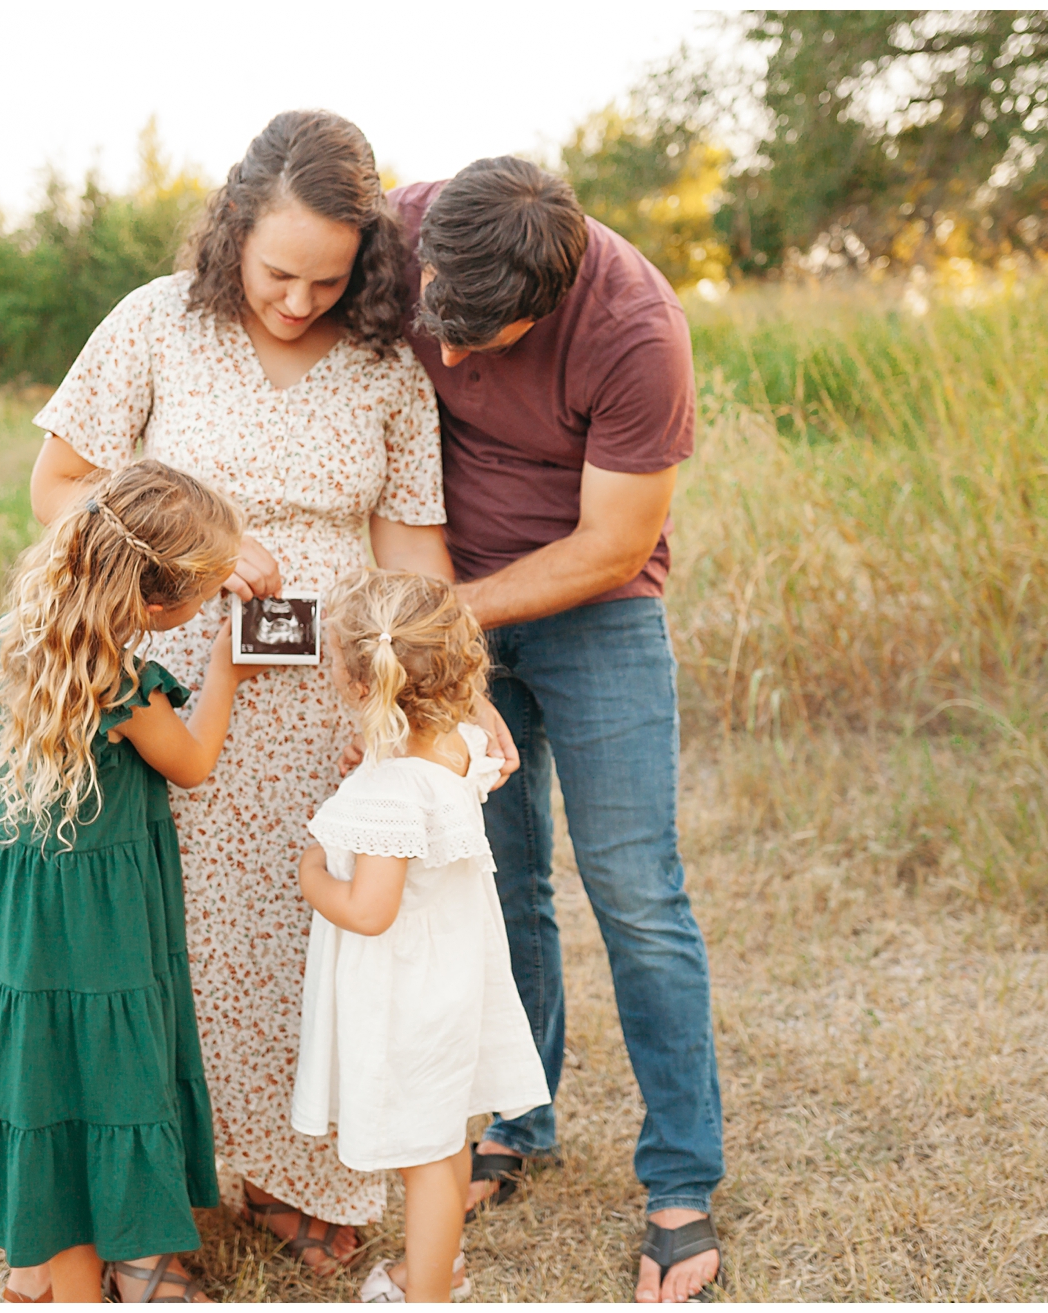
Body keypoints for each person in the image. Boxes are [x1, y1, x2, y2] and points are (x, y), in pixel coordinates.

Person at [26, 110, 514, 1276]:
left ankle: (303, 1175)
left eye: (328, 279)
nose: (299, 300)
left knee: (320, 928)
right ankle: (177, 1198)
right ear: (232, 232)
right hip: (189, 686)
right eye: (277, 272)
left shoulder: (387, 361)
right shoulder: (154, 322)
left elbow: (410, 541)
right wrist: (192, 556)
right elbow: (59, 487)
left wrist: (446, 688)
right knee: (181, 938)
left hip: (346, 698)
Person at [386, 158, 725, 1302]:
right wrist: (439, 625)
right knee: (500, 875)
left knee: (636, 888)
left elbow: (611, 546)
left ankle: (681, 1182)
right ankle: (523, 1123)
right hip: (452, 600)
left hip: (596, 618)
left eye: (493, 339)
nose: (463, 360)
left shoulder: (638, 333)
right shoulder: (407, 224)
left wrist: (440, 618)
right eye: (447, 326)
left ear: (558, 291)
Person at [0, 460, 262, 1303]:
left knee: (39, 1060)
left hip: (25, 898)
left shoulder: (23, 639)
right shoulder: (122, 681)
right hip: (98, 911)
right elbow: (191, 764)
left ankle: (31, 1270)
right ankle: (83, 1276)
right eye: (203, 590)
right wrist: (228, 667)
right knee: (96, 1074)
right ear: (158, 605)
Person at [291, 569, 549, 1303]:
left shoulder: (387, 788)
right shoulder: (462, 743)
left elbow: (370, 909)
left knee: (425, 1154)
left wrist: (313, 871)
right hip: (451, 974)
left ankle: (426, 1292)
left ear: (351, 675)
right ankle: (432, 1270)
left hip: (402, 992)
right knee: (442, 1145)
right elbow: (466, 784)